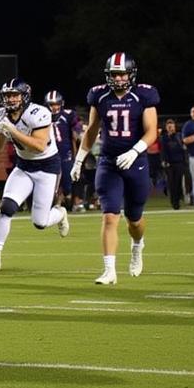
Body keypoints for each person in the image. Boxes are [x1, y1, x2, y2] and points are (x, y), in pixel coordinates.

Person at [71, 53, 159, 284]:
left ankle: (137, 245)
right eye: (114, 74)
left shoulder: (144, 95)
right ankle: (109, 269)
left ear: (131, 74)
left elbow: (152, 131)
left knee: (134, 220)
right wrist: (80, 158)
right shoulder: (99, 95)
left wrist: (134, 151)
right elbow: (91, 130)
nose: (118, 78)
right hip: (109, 162)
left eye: (122, 73)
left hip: (135, 162)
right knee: (110, 216)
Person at [0, 79, 70, 273]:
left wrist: (13, 130)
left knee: (40, 222)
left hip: (47, 167)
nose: (10, 99)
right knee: (7, 207)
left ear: (24, 96)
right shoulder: (1, 115)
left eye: (15, 95)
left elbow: (39, 145)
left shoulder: (39, 113)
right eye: (7, 95)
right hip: (24, 166)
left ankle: (60, 214)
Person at [45, 90, 79, 210]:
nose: (54, 107)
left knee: (67, 183)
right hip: (49, 154)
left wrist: (78, 133)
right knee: (51, 182)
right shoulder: (43, 116)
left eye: (56, 104)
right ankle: (57, 204)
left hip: (65, 153)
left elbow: (76, 131)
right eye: (51, 104)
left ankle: (68, 200)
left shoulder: (68, 114)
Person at [160, 118, 188, 210]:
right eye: (168, 126)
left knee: (178, 182)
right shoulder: (164, 138)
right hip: (169, 164)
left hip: (179, 163)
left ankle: (179, 198)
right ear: (166, 128)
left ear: (175, 127)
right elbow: (163, 150)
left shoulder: (179, 136)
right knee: (171, 183)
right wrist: (163, 161)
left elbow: (183, 148)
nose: (170, 128)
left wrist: (185, 162)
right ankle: (174, 202)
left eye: (172, 126)